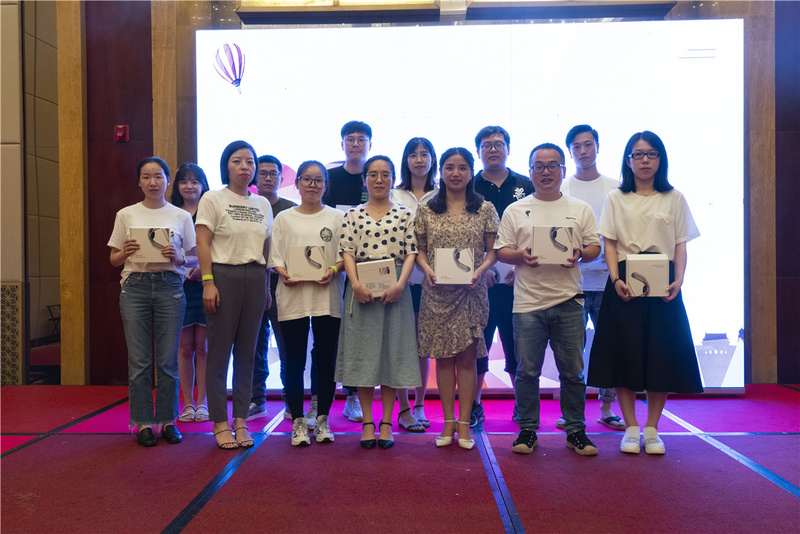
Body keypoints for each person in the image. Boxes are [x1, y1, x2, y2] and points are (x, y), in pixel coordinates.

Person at [587, 131, 703, 455]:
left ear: (660, 159)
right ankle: (630, 427)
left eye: (651, 154)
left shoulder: (674, 197)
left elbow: (680, 244)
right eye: (638, 154)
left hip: (663, 281)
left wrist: (679, 280)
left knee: (660, 355)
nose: (645, 160)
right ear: (628, 161)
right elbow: (609, 243)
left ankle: (652, 428)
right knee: (624, 354)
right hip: (625, 282)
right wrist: (615, 279)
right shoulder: (616, 197)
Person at [496, 143, 601, 456]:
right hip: (528, 303)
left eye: (552, 165)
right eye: (539, 166)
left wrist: (579, 253)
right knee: (527, 372)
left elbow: (594, 247)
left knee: (573, 373)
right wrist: (521, 256)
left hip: (569, 300)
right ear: (530, 172)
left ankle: (576, 431)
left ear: (563, 170)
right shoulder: (515, 210)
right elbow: (502, 251)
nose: (546, 171)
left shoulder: (580, 208)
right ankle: (528, 429)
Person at [108, 157, 196, 447]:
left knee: (168, 360)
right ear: (139, 182)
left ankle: (168, 420)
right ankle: (143, 422)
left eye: (158, 176)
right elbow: (114, 259)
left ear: (168, 181)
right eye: (146, 177)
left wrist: (178, 257)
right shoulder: (126, 214)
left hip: (170, 286)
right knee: (140, 361)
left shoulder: (180, 216)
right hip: (135, 287)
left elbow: (195, 257)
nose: (153, 182)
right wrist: (126, 252)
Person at [415, 147, 499, 450]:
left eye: (462, 167)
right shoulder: (427, 209)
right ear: (441, 171)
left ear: (471, 172)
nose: (455, 173)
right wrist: (427, 270)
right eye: (449, 167)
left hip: (471, 291)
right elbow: (419, 250)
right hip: (436, 292)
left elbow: (493, 251)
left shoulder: (485, 208)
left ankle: (464, 424)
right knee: (443, 358)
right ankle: (447, 422)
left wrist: (481, 271)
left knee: (466, 358)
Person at [336, 155, 420, 449]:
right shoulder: (352, 215)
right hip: (361, 291)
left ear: (393, 178)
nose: (379, 180)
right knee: (363, 355)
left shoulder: (405, 214)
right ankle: (368, 422)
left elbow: (411, 252)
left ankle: (386, 422)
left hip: (395, 291)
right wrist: (355, 285)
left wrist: (400, 285)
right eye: (373, 174)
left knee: (391, 354)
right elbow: (347, 252)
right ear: (364, 180)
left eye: (385, 174)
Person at [196, 140, 273, 450]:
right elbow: (203, 243)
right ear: (226, 165)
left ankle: (240, 419)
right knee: (219, 353)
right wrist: (208, 282)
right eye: (237, 161)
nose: (245, 167)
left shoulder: (262, 204)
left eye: (250, 161)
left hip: (255, 277)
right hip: (223, 276)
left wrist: (265, 286)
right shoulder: (213, 198)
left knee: (247, 353)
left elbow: (266, 247)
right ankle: (219, 421)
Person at [268, 161, 345, 447]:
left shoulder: (337, 217)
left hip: (327, 296)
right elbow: (275, 257)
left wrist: (334, 269)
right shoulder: (284, 218)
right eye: (307, 179)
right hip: (293, 296)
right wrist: (283, 272)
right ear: (298, 183)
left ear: (326, 185)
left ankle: (322, 419)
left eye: (318, 180)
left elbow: (344, 255)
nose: (312, 185)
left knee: (326, 360)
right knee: (294, 361)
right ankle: (298, 422)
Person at [558, 124, 625, 431]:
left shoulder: (617, 187)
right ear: (570, 152)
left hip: (610, 281)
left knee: (610, 346)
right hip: (572, 282)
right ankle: (571, 411)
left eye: (588, 145)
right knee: (571, 351)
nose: (583, 151)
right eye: (576, 146)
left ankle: (607, 407)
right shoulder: (563, 188)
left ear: (598, 146)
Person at [471, 126, 535, 428]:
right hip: (477, 283)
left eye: (499, 144)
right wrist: (480, 268)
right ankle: (474, 405)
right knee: (477, 346)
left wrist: (519, 263)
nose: (493, 149)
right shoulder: (469, 186)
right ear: (478, 151)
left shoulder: (525, 183)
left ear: (508, 148)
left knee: (518, 347)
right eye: (487, 145)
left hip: (518, 281)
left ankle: (522, 405)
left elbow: (536, 229)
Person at [324, 120, 373, 422]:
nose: (355, 144)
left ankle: (353, 394)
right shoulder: (329, 178)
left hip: (369, 269)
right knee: (331, 333)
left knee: (360, 333)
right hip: (333, 267)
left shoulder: (375, 177)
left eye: (361, 139)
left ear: (370, 144)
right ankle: (322, 398)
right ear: (342, 144)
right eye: (350, 139)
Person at [390, 137, 439, 432]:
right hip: (400, 281)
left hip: (434, 281)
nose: (419, 159)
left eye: (424, 154)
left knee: (423, 346)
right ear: (405, 160)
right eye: (413, 155)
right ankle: (404, 408)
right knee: (401, 344)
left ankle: (420, 404)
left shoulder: (442, 194)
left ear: (432, 159)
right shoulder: (393, 194)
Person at [247, 155, 297, 423]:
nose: (268, 178)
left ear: (281, 177)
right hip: (252, 284)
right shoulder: (248, 207)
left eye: (273, 173)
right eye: (263, 173)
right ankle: (256, 399)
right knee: (255, 346)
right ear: (256, 177)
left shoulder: (291, 210)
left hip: (284, 286)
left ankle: (291, 399)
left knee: (288, 347)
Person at [170, 163, 211, 424]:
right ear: (177, 187)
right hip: (178, 284)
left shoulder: (210, 213)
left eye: (195, 181)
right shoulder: (170, 213)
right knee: (185, 348)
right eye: (184, 181)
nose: (189, 186)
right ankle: (187, 404)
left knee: (203, 347)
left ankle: (203, 402)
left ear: (203, 185)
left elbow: (217, 248)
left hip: (207, 284)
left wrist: (202, 270)